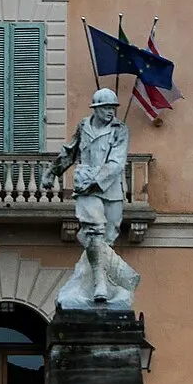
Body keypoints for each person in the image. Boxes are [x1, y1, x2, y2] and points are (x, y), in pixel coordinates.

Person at [50, 87, 140, 309]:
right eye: (106, 108)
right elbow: (69, 152)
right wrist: (52, 172)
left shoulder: (120, 130)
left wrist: (97, 180)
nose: (111, 112)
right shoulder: (84, 126)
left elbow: (117, 162)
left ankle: (108, 282)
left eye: (113, 108)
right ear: (96, 109)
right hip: (86, 189)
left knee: (108, 237)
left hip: (109, 189)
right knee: (94, 232)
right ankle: (99, 285)